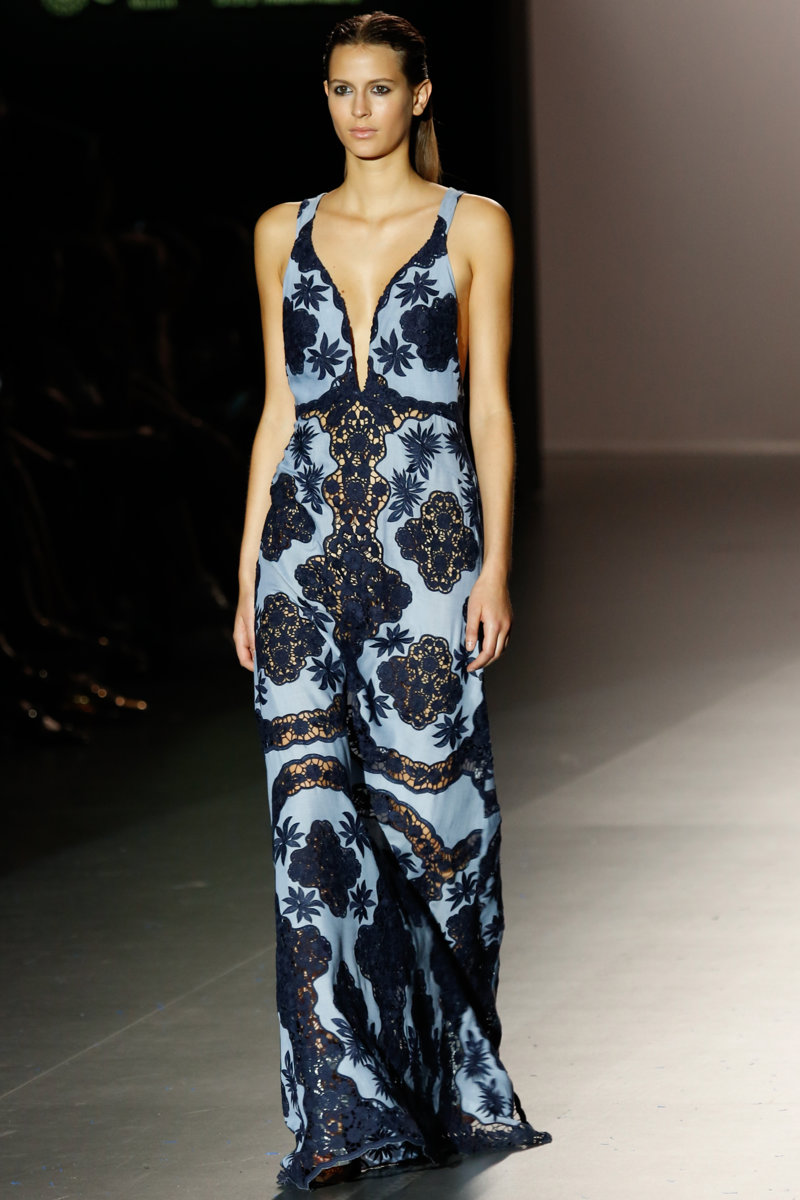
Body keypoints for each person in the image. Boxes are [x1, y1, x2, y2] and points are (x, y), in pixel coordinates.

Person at [233, 10, 551, 1190]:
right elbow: (277, 409)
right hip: (300, 558)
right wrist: (246, 575)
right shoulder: (280, 230)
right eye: (339, 89)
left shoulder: (475, 224)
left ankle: (441, 1077)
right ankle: (337, 1109)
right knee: (309, 824)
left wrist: (496, 565)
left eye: (377, 88)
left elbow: (489, 408)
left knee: (433, 814)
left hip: (427, 555)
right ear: (324, 96)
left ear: (418, 95)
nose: (357, 109)